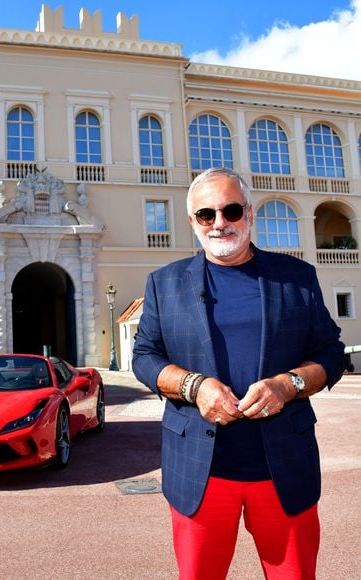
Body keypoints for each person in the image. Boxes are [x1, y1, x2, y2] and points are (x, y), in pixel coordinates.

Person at [132, 166, 345, 579]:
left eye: (230, 210)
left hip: (283, 466)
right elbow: (144, 357)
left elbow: (331, 352)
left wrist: (289, 385)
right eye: (207, 215)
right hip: (200, 470)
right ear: (192, 222)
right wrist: (194, 386)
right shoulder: (164, 283)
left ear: (249, 213)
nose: (220, 223)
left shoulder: (296, 278)